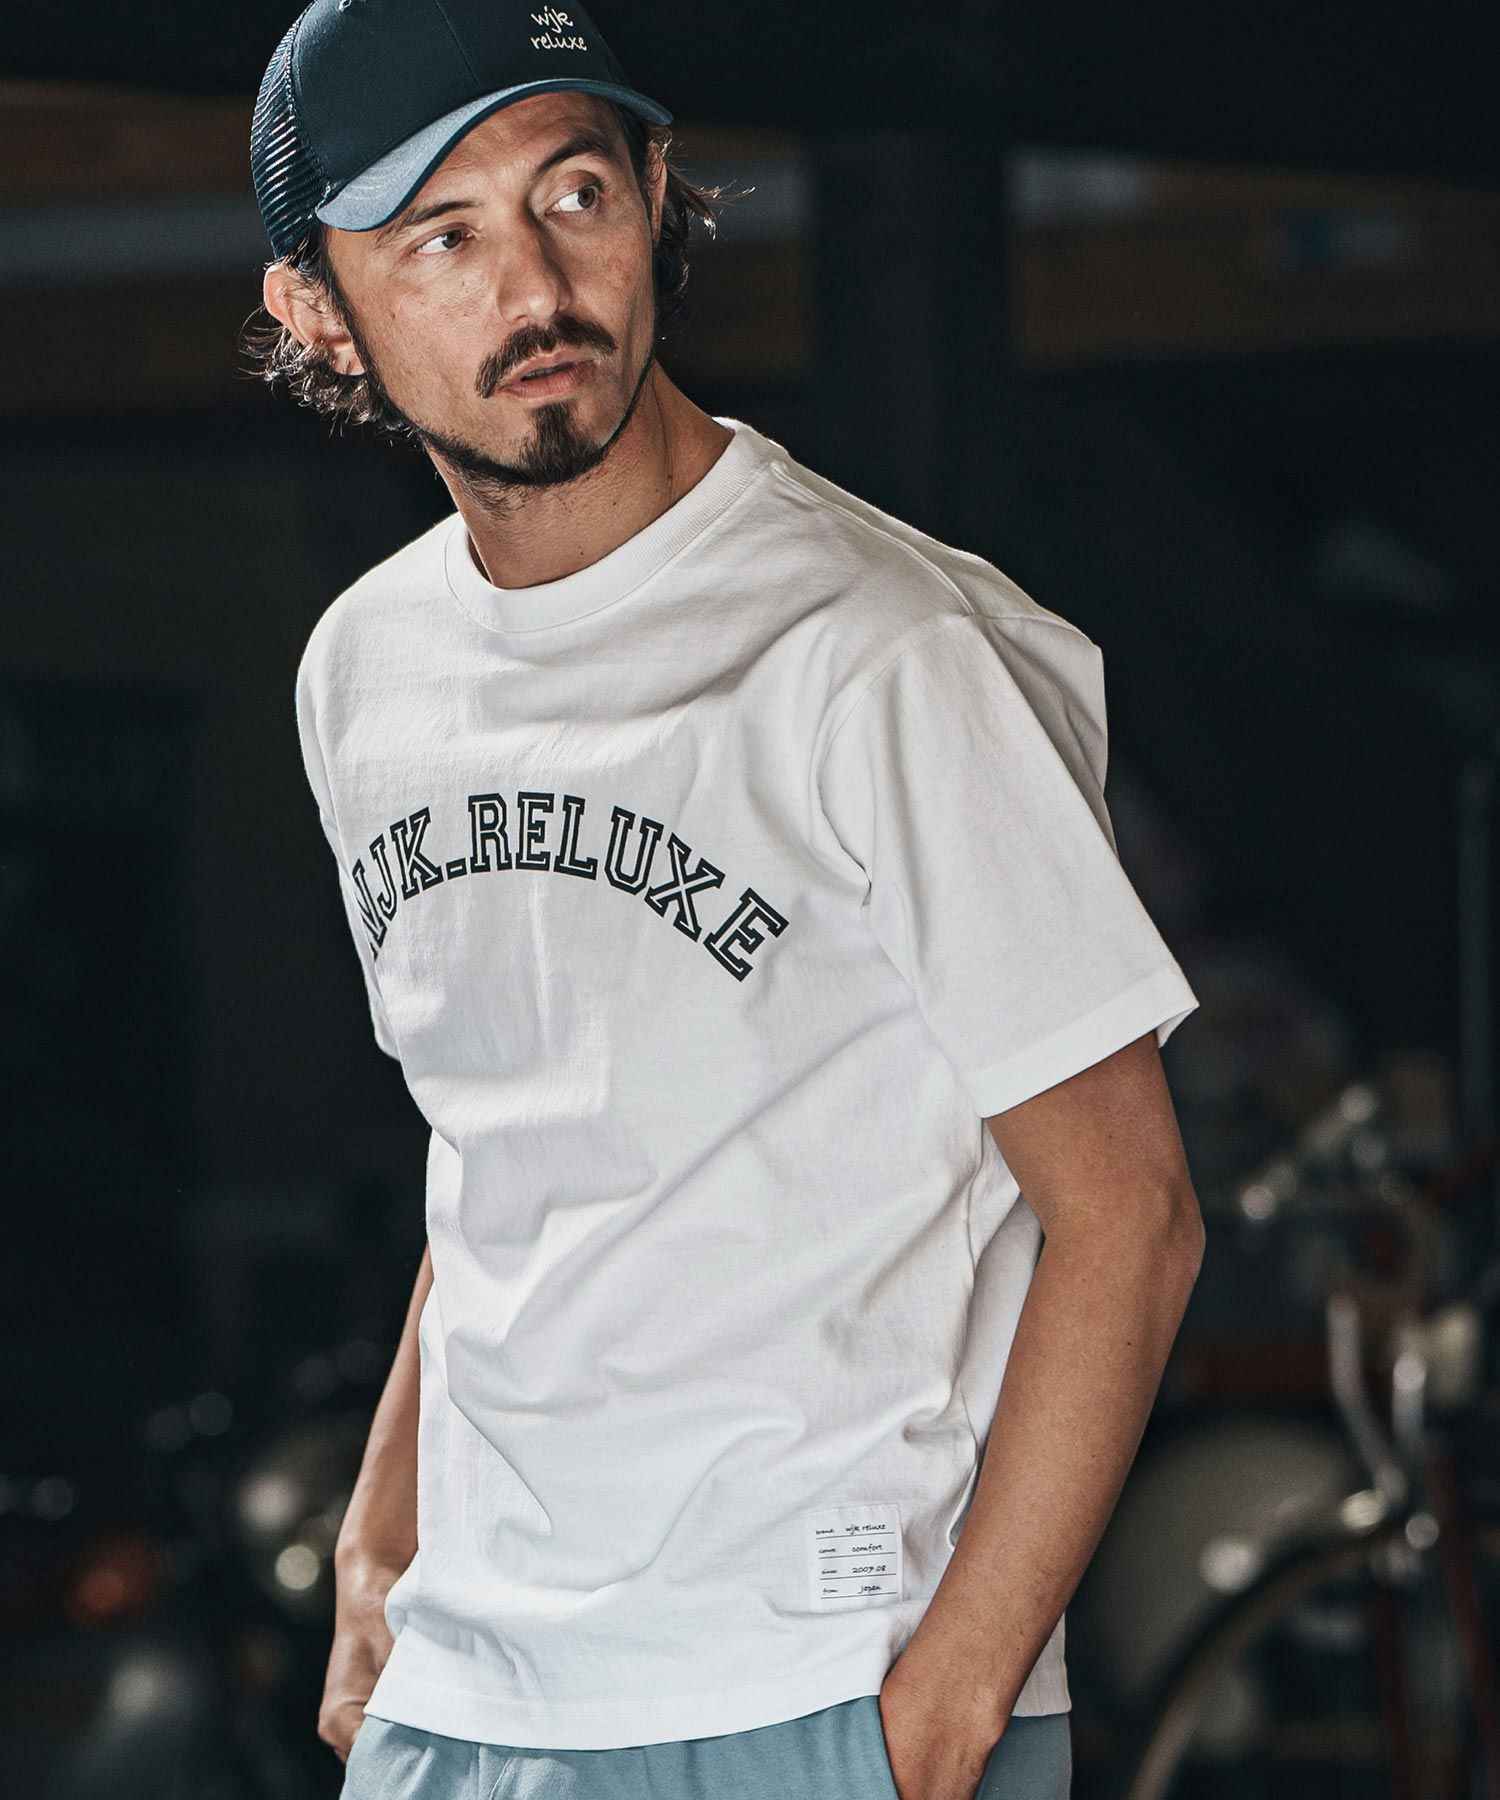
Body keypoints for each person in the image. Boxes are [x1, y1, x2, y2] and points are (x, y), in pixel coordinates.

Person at [247, 3, 1206, 1796]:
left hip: (818, 1685)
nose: (539, 289)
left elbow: (1132, 1217)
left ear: (654, 192)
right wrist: (380, 1545)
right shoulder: (365, 668)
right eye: (443, 237)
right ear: (317, 306)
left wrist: (942, 1716)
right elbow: (515, 1140)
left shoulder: (886, 651)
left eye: (577, 194)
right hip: (472, 1699)